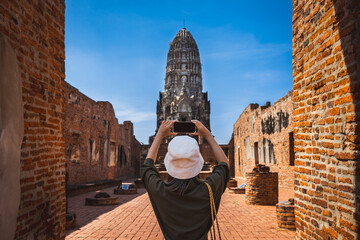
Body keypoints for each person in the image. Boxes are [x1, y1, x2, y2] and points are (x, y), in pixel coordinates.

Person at [141, 120, 229, 240]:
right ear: (198, 161)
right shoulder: (209, 189)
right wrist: (208, 135)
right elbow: (224, 164)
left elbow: (147, 166)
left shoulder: (160, 191)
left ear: (169, 162)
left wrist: (160, 135)